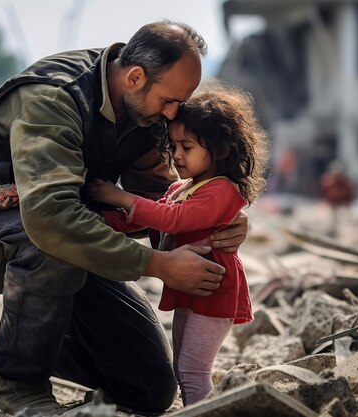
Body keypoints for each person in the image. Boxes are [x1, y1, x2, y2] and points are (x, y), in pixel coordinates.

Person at [0, 21, 249, 415]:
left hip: (73, 241)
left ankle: (5, 351)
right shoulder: (55, 97)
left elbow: (154, 201)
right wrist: (158, 265)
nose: (174, 113)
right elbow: (50, 218)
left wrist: (219, 217)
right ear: (135, 77)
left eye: (180, 102)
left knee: (150, 389)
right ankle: (17, 389)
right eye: (169, 100)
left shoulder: (147, 112)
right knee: (55, 239)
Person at [88, 83, 268, 405]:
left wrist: (119, 196)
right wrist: (105, 222)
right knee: (182, 368)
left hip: (214, 289)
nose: (178, 155)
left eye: (187, 147)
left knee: (193, 371)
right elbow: (147, 218)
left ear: (222, 150)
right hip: (189, 287)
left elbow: (174, 220)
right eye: (174, 146)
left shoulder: (223, 190)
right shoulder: (183, 187)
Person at [319, 160, 355, 236]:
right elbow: (324, 192)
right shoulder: (328, 183)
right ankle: (332, 231)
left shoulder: (345, 184)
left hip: (342, 203)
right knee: (331, 218)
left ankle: (342, 233)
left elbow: (349, 194)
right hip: (332, 203)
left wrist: (348, 203)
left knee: (343, 220)